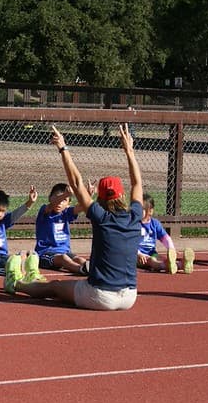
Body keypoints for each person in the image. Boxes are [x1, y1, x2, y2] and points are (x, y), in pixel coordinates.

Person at [8, 124, 143, 311]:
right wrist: (129, 150)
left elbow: (77, 182)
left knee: (55, 286)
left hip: (100, 295)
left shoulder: (101, 217)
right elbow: (137, 182)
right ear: (122, 195)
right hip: (130, 296)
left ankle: (16, 284)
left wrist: (63, 148)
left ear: (100, 198)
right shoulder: (135, 215)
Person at [33, 182, 94, 276]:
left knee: (79, 259)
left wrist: (87, 195)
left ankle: (93, 269)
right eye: (57, 198)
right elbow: (52, 205)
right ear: (50, 198)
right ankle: (82, 270)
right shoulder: (45, 211)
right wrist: (65, 194)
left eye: (64, 200)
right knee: (63, 259)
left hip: (65, 251)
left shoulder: (66, 213)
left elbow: (82, 206)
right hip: (45, 254)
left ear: (68, 203)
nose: (60, 203)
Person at [138, 193, 195, 274]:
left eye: (140, 209)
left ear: (150, 211)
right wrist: (139, 254)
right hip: (136, 255)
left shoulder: (155, 223)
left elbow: (165, 238)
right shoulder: (134, 224)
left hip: (152, 253)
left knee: (162, 259)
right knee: (151, 261)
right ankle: (174, 266)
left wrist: (171, 249)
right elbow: (129, 242)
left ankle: (181, 264)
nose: (136, 211)